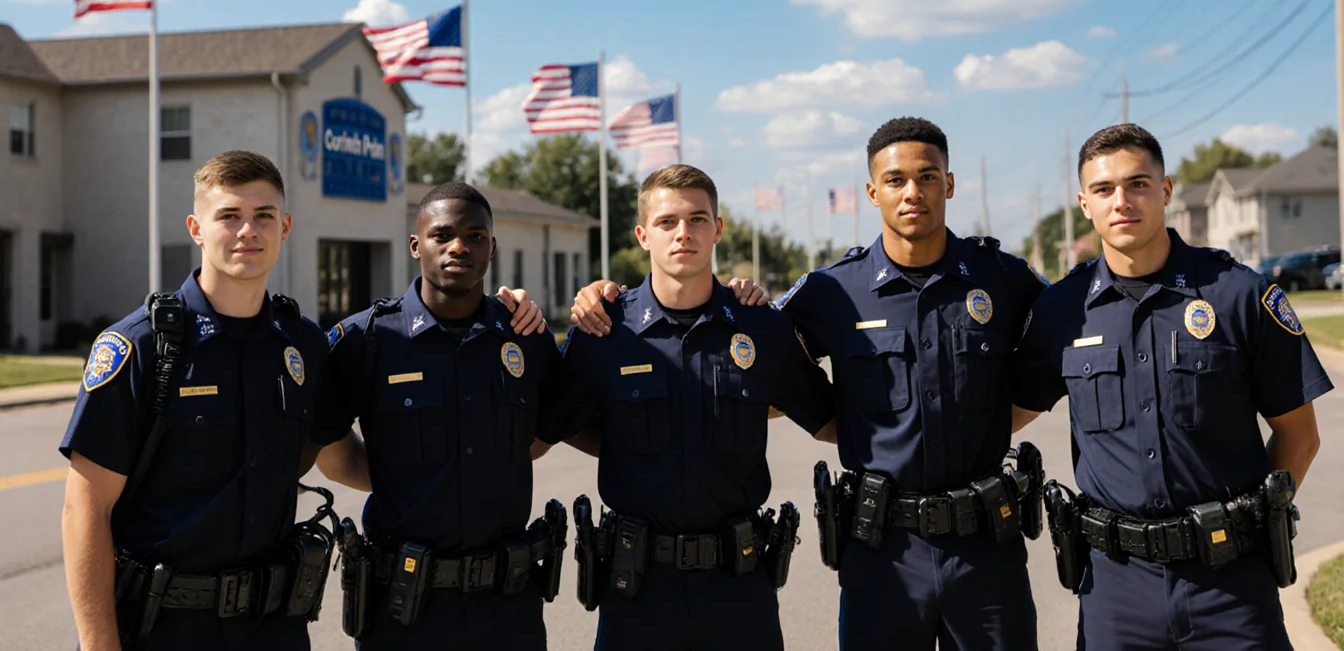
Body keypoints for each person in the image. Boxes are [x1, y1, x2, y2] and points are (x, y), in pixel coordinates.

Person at [572, 118, 1046, 651]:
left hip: (984, 542)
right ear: (873, 191)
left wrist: (984, 426)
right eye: (895, 180)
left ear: (949, 184)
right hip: (879, 549)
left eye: (927, 176)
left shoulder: (1003, 278)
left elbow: (1063, 351)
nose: (912, 192)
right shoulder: (830, 290)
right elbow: (557, 420)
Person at [1012, 123, 1329, 651]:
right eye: (1104, 189)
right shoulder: (1060, 311)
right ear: (1084, 204)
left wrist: (1253, 519)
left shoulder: (1238, 295)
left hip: (1231, 583)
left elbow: (1300, 437)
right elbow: (1005, 416)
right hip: (1116, 589)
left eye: (1138, 184)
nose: (1122, 201)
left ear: (1166, 190)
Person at [59, 151, 345, 650]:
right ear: (196, 228)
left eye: (263, 216)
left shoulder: (303, 345)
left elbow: (336, 453)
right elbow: (84, 507)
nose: (247, 231)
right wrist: (98, 643)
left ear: (285, 227)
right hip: (166, 627)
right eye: (229, 216)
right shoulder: (143, 346)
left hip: (275, 627)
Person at [560, 164, 833, 651]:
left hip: (738, 586)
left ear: (718, 230)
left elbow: (826, 417)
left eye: (697, 219)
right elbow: (551, 426)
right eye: (666, 222)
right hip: (637, 590)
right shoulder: (604, 331)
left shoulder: (761, 328)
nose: (682, 233)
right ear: (643, 234)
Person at [313, 182, 583, 650]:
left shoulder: (524, 336)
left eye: (476, 236)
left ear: (492, 248)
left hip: (508, 606)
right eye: (442, 235)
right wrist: (404, 481)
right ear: (416, 245)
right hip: (404, 607)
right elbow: (333, 455)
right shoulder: (365, 341)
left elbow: (536, 438)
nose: (459, 245)